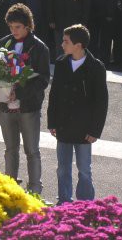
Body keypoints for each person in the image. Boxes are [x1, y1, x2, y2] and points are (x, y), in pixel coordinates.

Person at [48, 24, 108, 205]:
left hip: (85, 129)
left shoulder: (96, 67)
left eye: (66, 41)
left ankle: (85, 205)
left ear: (78, 45)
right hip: (64, 126)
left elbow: (101, 102)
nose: (62, 44)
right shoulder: (61, 63)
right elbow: (54, 95)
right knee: (63, 168)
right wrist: (52, 122)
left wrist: (95, 130)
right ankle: (64, 202)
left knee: (84, 169)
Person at [0, 3, 50, 194]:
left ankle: (35, 188)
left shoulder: (39, 47)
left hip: (28, 107)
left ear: (28, 25)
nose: (14, 31)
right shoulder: (3, 44)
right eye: (11, 27)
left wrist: (18, 93)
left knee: (31, 151)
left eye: (17, 27)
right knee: (10, 149)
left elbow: (43, 80)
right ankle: (10, 186)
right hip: (5, 106)